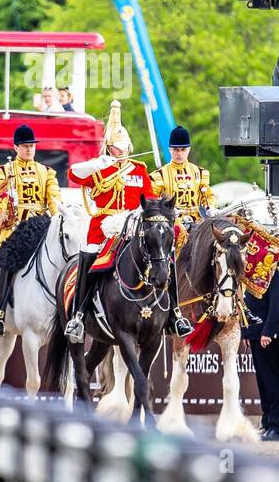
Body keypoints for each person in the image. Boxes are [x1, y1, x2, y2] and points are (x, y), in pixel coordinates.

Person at [66, 100, 192, 342]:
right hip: (103, 226)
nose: (121, 151)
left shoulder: (138, 169)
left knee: (165, 257)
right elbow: (72, 174)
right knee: (88, 257)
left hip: (133, 223)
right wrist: (94, 165)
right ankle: (79, 315)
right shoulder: (100, 169)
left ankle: (175, 314)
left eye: (124, 147)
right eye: (116, 147)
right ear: (109, 148)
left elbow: (149, 198)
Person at [0, 124, 60, 337]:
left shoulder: (47, 173)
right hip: (12, 228)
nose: (29, 150)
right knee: (4, 260)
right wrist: (6, 206)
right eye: (25, 146)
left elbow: (54, 200)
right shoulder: (2, 173)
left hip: (39, 226)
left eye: (32, 146)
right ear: (15, 147)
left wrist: (56, 218)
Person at [243, 259, 279, 440]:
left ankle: (276, 427)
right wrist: (248, 332)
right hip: (256, 332)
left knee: (272, 379)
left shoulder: (277, 266)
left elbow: (278, 302)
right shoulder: (257, 266)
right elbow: (251, 300)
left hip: (268, 332)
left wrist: (268, 331)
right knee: (262, 381)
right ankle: (267, 421)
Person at [150, 125, 216, 227]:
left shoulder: (200, 172)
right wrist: (165, 209)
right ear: (169, 150)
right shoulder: (159, 175)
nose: (179, 153)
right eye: (176, 149)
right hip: (171, 224)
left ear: (189, 149)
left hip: (198, 223)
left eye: (183, 149)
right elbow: (152, 200)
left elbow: (208, 196)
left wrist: (211, 207)